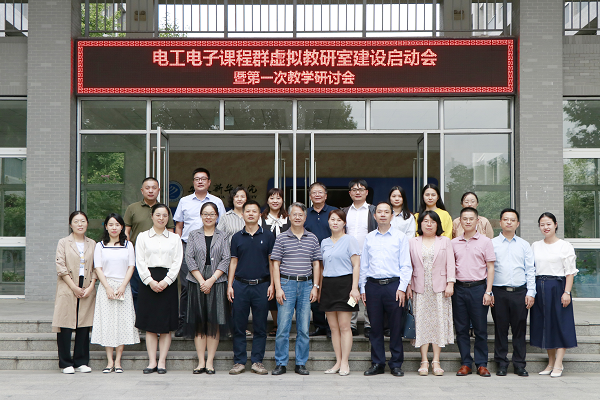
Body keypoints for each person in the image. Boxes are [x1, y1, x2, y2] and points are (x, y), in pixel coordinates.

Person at [360, 202, 412, 377]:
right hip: (373, 286)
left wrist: (402, 288)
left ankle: (396, 364)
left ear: (392, 215)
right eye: (379, 212)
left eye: (386, 212)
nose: (382, 214)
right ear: (374, 216)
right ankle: (377, 363)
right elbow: (364, 265)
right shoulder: (369, 238)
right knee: (375, 328)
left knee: (395, 327)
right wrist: (363, 288)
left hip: (393, 286)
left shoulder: (400, 237)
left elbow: (406, 265)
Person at [174, 168, 226, 337]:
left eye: (203, 179)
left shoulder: (217, 201)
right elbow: (179, 226)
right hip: (188, 248)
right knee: (187, 287)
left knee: (213, 288)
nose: (200, 181)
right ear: (193, 182)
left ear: (209, 182)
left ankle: (212, 325)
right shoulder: (184, 201)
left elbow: (222, 226)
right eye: (197, 179)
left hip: (213, 248)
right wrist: (178, 248)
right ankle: (184, 324)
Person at [271, 202, 322, 376]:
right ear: (289, 217)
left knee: (304, 328)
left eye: (301, 214)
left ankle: (301, 363)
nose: (298, 217)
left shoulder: (312, 238)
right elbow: (275, 264)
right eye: (294, 214)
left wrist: (315, 287)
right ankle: (281, 363)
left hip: (307, 285)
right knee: (283, 328)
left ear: (305, 217)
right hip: (287, 284)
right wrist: (278, 288)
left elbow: (316, 264)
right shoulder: (281, 238)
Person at [227, 200, 276, 376]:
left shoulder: (268, 236)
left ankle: (257, 361)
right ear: (243, 214)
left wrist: (272, 284)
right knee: (238, 325)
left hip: (262, 285)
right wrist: (230, 285)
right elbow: (233, 262)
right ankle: (239, 361)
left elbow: (272, 262)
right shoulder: (236, 237)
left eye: (254, 211)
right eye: (247, 211)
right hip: (240, 285)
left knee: (260, 326)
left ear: (259, 215)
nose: (250, 214)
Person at [135, 204, 183, 374]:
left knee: (165, 325)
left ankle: (162, 361)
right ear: (152, 216)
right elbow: (140, 261)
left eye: (164, 215)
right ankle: (152, 362)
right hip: (148, 281)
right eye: (158, 215)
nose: (161, 218)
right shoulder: (143, 237)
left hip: (168, 282)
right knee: (150, 325)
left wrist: (166, 281)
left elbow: (177, 262)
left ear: (168, 217)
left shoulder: (175, 238)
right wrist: (150, 281)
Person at [406, 211, 455, 377]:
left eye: (432, 222)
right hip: (419, 288)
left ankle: (436, 361)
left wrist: (450, 283)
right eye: (425, 221)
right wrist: (408, 286)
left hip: (440, 289)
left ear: (437, 224)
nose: (429, 224)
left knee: (438, 323)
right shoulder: (412, 242)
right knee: (421, 324)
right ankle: (424, 361)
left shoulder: (445, 241)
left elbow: (450, 263)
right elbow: (408, 265)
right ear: (420, 224)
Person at [184, 202, 231, 375]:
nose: (208, 217)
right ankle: (201, 362)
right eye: (205, 213)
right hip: (196, 280)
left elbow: (226, 259)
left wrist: (211, 280)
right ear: (201, 215)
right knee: (199, 322)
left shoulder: (223, 235)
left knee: (213, 322)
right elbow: (189, 258)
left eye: (212, 214)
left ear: (217, 216)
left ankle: (210, 361)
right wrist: (201, 280)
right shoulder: (193, 234)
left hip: (217, 281)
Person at [531, 212, 578, 378]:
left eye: (549, 224)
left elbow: (570, 272)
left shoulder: (565, 246)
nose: (546, 227)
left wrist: (567, 292)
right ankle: (550, 363)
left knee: (560, 324)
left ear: (555, 225)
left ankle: (559, 363)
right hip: (539, 286)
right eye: (542, 224)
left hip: (558, 287)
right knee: (545, 324)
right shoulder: (535, 245)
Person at [91, 213, 140, 374]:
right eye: (111, 224)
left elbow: (131, 266)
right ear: (106, 226)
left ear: (122, 227)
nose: (114, 228)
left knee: (122, 323)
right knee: (107, 322)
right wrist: (107, 287)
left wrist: (123, 286)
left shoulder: (128, 245)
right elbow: (98, 267)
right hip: (106, 287)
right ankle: (109, 361)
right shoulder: (100, 246)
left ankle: (118, 361)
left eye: (117, 225)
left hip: (123, 286)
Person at [491, 208, 536, 377]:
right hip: (499, 292)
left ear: (517, 223)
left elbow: (530, 270)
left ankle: (519, 364)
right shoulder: (492, 244)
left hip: (520, 292)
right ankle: (501, 363)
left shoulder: (524, 245)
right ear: (500, 222)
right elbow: (487, 269)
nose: (509, 222)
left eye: (512, 220)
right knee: (500, 329)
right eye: (505, 219)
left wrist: (531, 292)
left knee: (519, 329)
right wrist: (489, 292)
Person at [451, 207, 495, 377]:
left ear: (477, 221)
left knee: (480, 329)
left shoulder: (485, 241)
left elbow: (490, 268)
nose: (468, 221)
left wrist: (488, 291)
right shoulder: (454, 243)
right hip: (459, 289)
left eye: (471, 218)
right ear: (460, 221)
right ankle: (465, 363)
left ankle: (482, 364)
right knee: (461, 328)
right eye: (465, 219)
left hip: (478, 288)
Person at [52, 211, 97, 374]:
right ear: (70, 224)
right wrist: (74, 287)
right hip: (68, 284)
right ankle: (65, 363)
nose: (80, 224)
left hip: (87, 285)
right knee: (65, 323)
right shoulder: (63, 242)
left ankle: (81, 361)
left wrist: (91, 286)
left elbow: (97, 267)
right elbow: (60, 266)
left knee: (84, 324)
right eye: (76, 221)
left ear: (87, 223)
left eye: (83, 221)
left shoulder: (92, 243)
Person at [124, 177, 175, 313]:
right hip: (138, 256)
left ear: (159, 190)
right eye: (147, 188)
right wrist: (129, 251)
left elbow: (171, 232)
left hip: (160, 257)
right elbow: (126, 232)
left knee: (160, 291)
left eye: (154, 188)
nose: (151, 191)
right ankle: (138, 320)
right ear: (142, 191)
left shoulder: (164, 210)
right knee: (137, 291)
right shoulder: (132, 208)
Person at [319, 209, 360, 376]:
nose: (335, 222)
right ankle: (337, 361)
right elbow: (322, 267)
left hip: (345, 284)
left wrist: (355, 288)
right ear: (328, 222)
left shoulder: (350, 240)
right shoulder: (324, 242)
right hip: (328, 285)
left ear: (344, 223)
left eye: (338, 220)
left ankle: (345, 362)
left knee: (344, 326)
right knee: (333, 327)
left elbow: (356, 265)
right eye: (332, 219)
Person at [342, 179, 377, 337]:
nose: (358, 192)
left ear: (366, 192)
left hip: (369, 257)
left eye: (361, 189)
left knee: (369, 290)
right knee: (351, 289)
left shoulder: (373, 210)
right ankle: (352, 323)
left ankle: (369, 324)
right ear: (350, 193)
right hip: (349, 258)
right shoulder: (344, 211)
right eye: (354, 189)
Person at [305, 182, 338, 338]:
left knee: (330, 292)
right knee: (314, 291)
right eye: (314, 192)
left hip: (331, 258)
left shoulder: (334, 212)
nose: (317, 195)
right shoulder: (305, 213)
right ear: (310, 196)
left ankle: (332, 327)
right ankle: (319, 325)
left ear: (326, 195)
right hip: (310, 260)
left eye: (320, 192)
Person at [260, 187, 291, 337]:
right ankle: (275, 323)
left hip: (286, 261)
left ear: (283, 200)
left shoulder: (289, 219)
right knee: (270, 292)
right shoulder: (261, 219)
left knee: (284, 291)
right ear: (267, 200)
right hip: (265, 261)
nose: (275, 201)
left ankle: (283, 324)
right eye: (272, 198)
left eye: (278, 198)